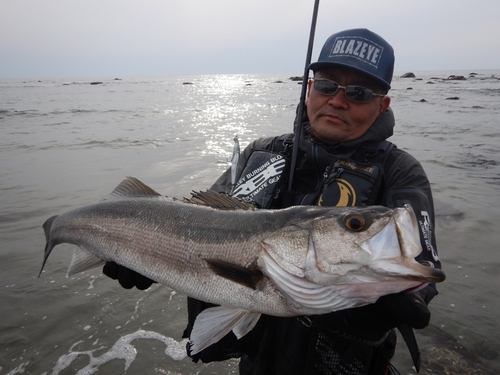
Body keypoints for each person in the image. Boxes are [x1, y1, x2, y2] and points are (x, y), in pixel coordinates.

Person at [104, 28, 442, 375]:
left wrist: (401, 302)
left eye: (358, 92)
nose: (338, 101)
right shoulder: (261, 153)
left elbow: (422, 267)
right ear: (310, 89)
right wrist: (147, 248)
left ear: (382, 104)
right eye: (327, 86)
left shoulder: (400, 171)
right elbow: (200, 222)